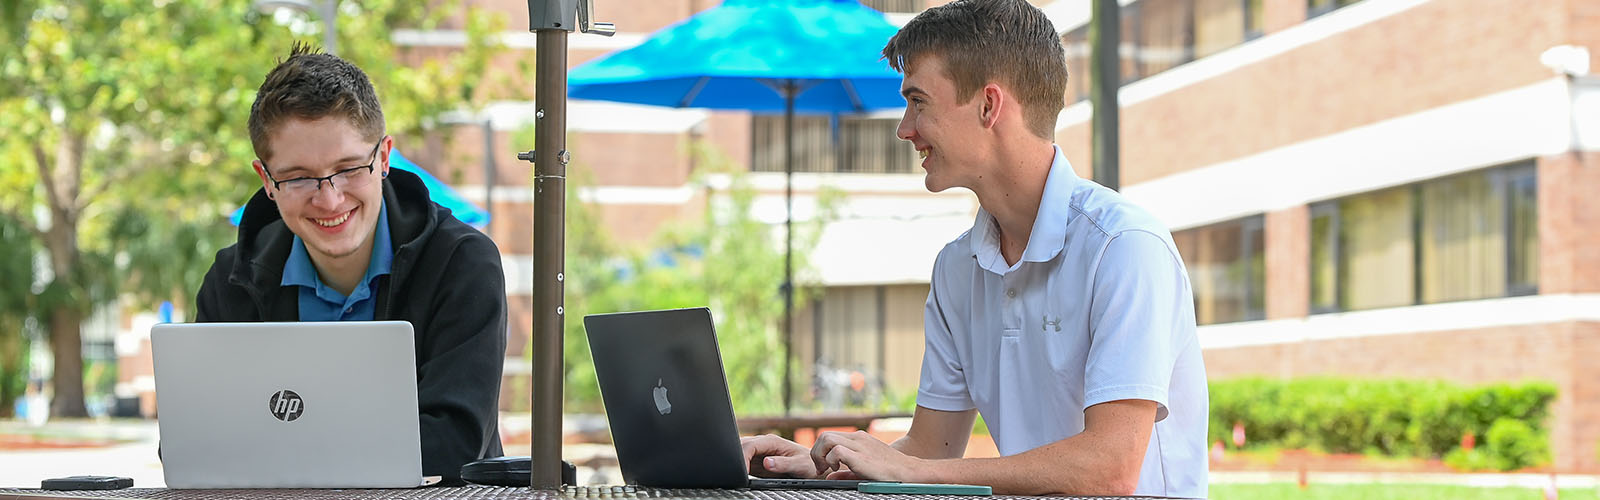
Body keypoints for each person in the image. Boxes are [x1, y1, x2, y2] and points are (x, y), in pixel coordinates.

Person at [740, 0, 1207, 497]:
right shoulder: (956, 268)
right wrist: (822, 469)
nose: (905, 128)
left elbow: (1109, 470)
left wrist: (912, 472)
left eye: (918, 102)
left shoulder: (1125, 248)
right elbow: (930, 450)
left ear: (989, 106)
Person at [195, 42, 507, 485]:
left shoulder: (462, 262)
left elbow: (452, 444)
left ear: (382, 157)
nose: (330, 198)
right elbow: (194, 444)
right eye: (299, 176)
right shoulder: (231, 279)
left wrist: (281, 451)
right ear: (267, 180)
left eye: (348, 168)